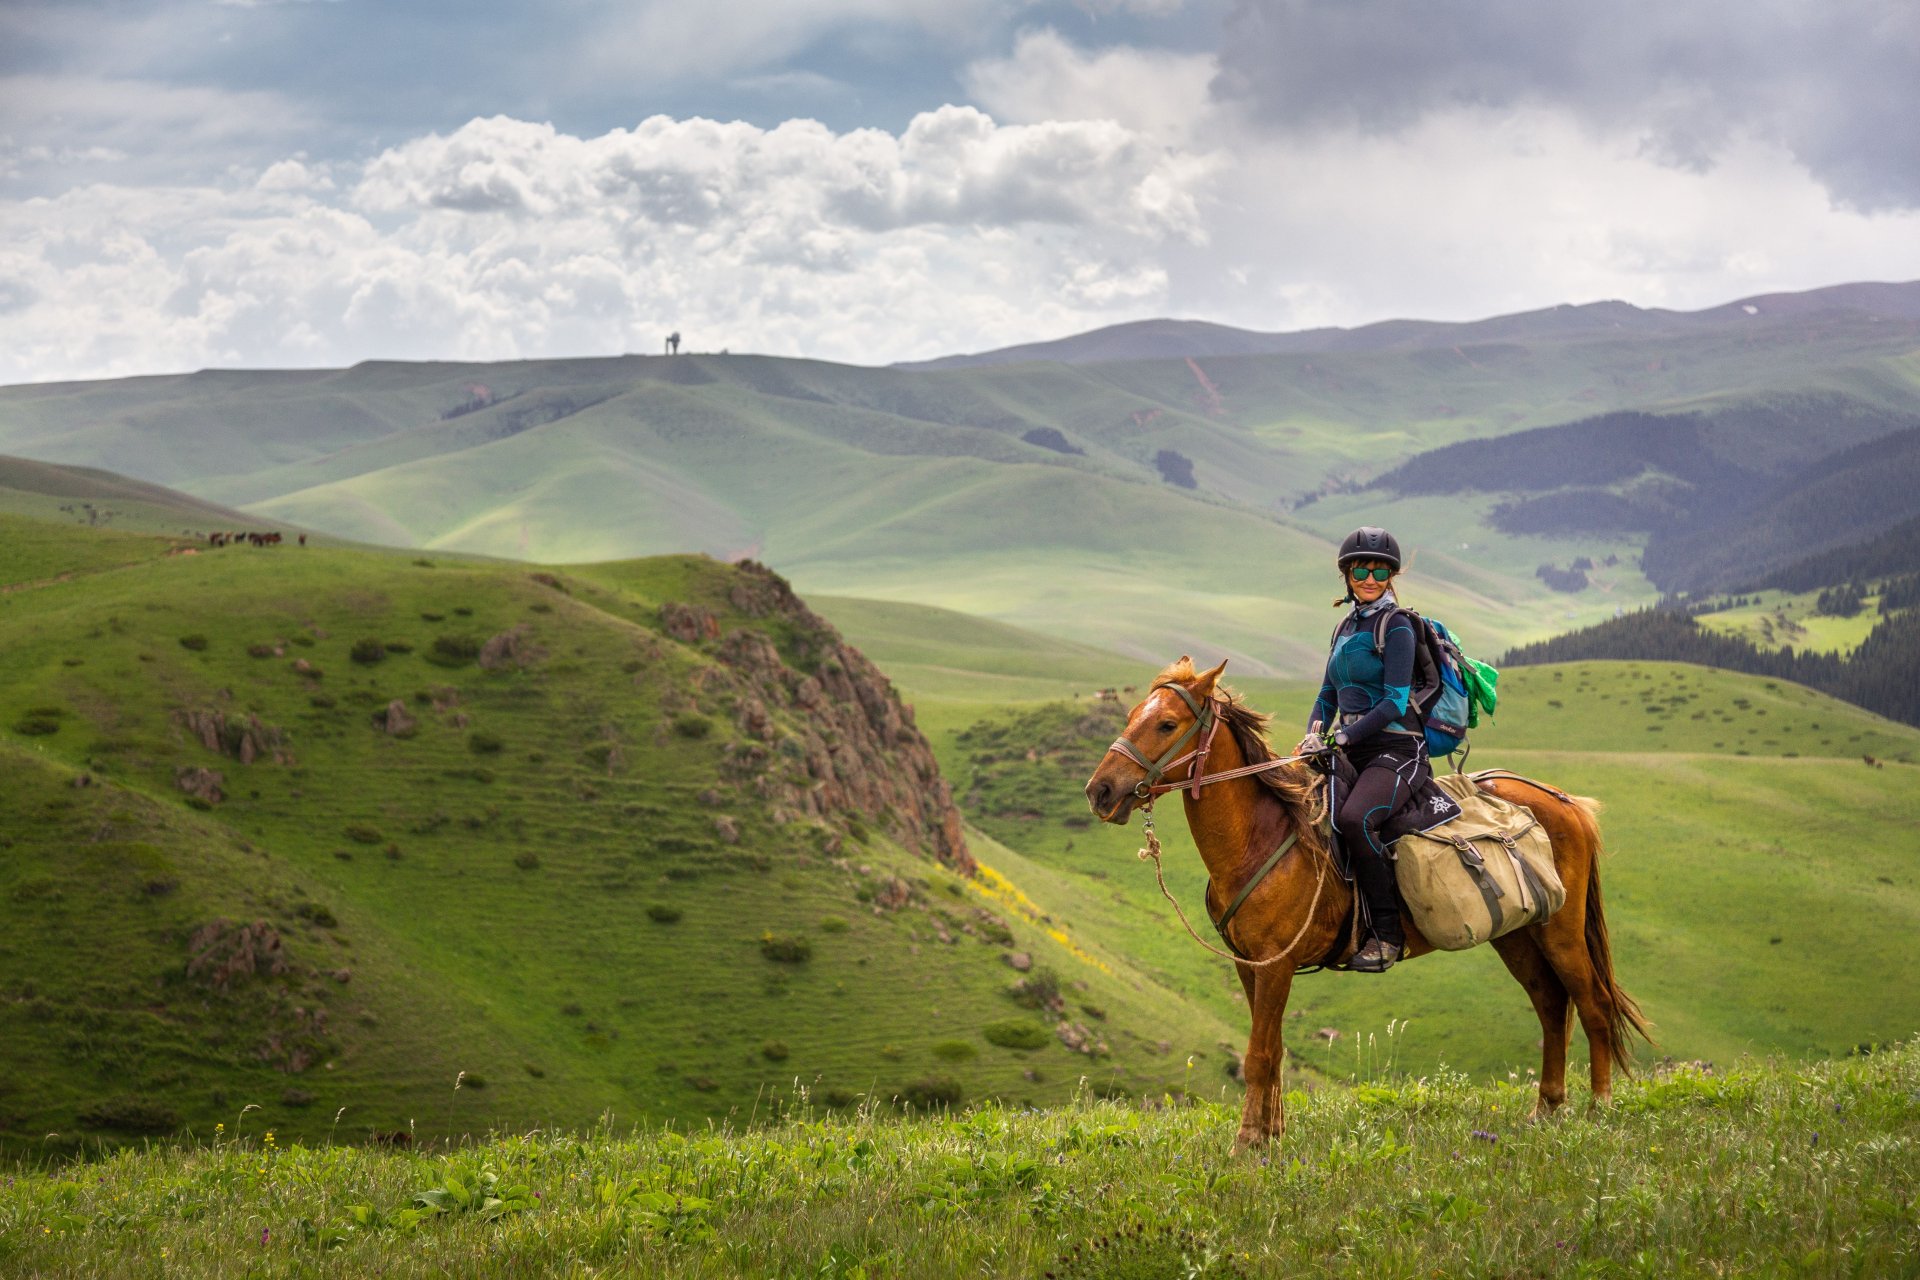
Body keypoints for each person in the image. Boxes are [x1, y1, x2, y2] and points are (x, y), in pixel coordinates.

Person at [1297, 526, 1430, 973]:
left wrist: (1344, 737)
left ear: (1390, 577)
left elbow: (1394, 701)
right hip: (1349, 749)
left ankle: (1388, 935)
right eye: (1361, 569)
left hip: (1398, 748)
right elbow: (1327, 694)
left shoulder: (1398, 627)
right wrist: (1312, 733)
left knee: (1355, 819)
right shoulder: (1344, 627)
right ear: (1347, 575)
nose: (1370, 578)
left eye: (1379, 570)